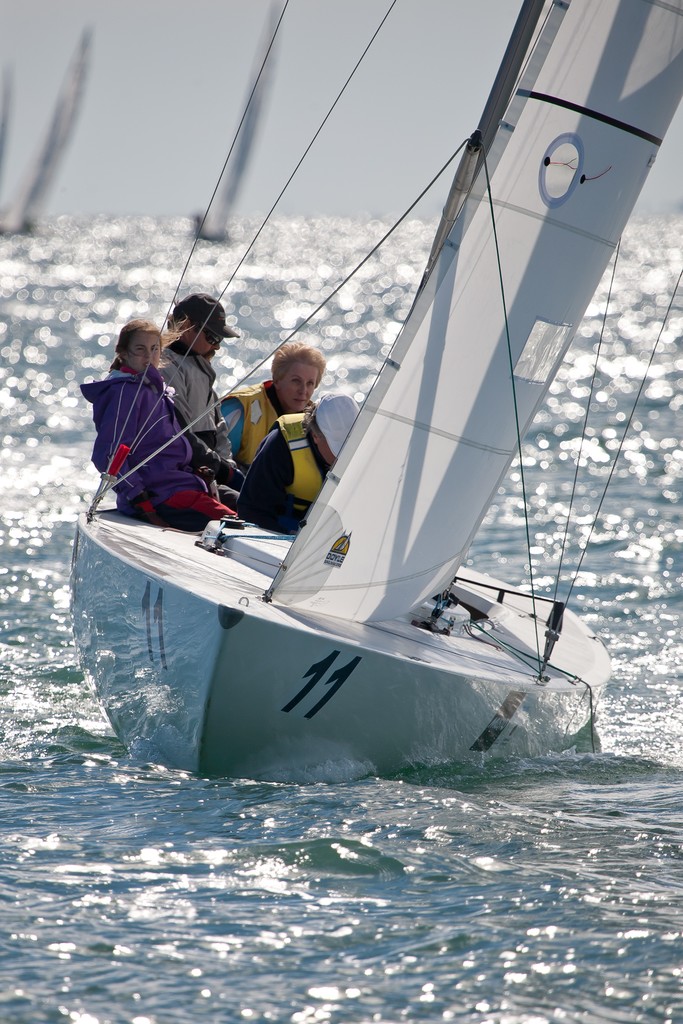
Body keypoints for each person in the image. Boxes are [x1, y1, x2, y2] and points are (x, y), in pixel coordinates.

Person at [81, 319, 237, 531]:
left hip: (181, 484)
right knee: (237, 526)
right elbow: (108, 455)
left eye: (154, 349)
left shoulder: (154, 389)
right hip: (160, 496)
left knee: (249, 505)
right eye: (140, 349)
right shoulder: (124, 393)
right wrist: (142, 502)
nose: (148, 356)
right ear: (123, 353)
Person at [159, 293, 243, 504]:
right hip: (184, 476)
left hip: (209, 473)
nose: (217, 347)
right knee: (250, 507)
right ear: (187, 327)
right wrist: (220, 470)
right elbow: (179, 431)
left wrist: (226, 466)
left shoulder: (200, 367)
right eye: (213, 338)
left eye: (219, 339)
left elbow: (219, 426)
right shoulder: (166, 366)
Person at [237, 393, 360, 534]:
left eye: (350, 446)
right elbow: (251, 510)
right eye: (337, 449)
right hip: (280, 536)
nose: (345, 457)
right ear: (315, 436)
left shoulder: (370, 448)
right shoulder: (281, 445)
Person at [221, 341, 327, 471]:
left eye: (310, 383)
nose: (303, 390)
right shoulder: (240, 408)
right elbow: (215, 460)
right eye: (296, 381)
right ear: (277, 380)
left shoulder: (316, 423)